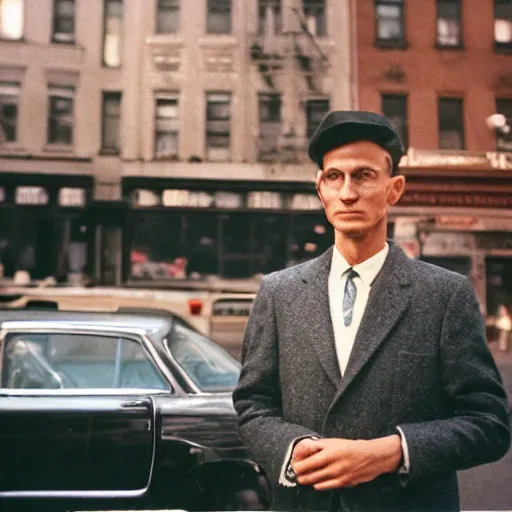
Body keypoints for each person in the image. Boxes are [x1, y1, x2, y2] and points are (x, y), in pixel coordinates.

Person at [232, 110, 511, 512]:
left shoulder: (445, 294)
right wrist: (294, 450)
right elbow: (253, 404)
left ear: (394, 189)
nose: (347, 192)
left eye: (364, 175)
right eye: (334, 177)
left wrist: (393, 452)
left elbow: (490, 424)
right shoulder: (279, 292)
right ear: (320, 189)